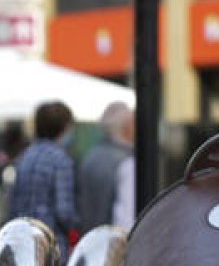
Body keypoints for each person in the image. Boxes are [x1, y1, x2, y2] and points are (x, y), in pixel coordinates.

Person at [7, 100, 80, 256]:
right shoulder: (61, 160)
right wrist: (76, 226)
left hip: (24, 242)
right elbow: (64, 211)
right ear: (64, 127)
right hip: (51, 244)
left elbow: (13, 204)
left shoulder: (25, 156)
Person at [78, 102, 136, 230]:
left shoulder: (90, 157)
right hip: (113, 238)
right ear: (127, 127)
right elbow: (125, 219)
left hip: (90, 236)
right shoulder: (127, 162)